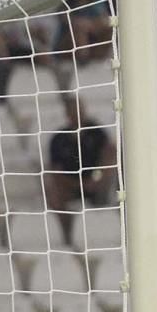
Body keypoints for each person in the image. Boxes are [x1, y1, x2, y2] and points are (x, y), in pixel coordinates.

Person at [44, 99, 116, 245]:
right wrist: (78, 184)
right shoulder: (58, 139)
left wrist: (97, 179)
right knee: (54, 193)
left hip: (98, 185)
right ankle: (68, 236)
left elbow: (109, 156)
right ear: (67, 114)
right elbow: (55, 171)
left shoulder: (97, 133)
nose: (78, 114)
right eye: (73, 111)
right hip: (70, 187)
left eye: (80, 109)